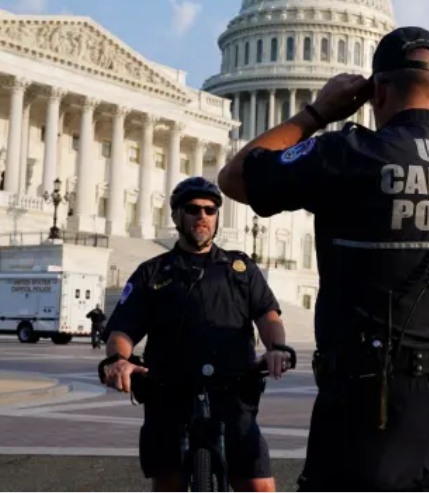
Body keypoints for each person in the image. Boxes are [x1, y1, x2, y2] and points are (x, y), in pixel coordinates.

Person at [217, 26, 429, 491]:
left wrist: (318, 111)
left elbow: (234, 177)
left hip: (367, 411)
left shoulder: (349, 153)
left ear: (378, 91)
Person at [99, 177, 291, 493]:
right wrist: (119, 360)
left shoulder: (240, 268)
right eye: (192, 209)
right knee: (168, 482)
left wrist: (277, 348)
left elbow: (268, 316)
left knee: (259, 485)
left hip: (232, 388)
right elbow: (122, 329)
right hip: (170, 390)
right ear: (175, 215)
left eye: (210, 210)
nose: (202, 216)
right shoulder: (153, 272)